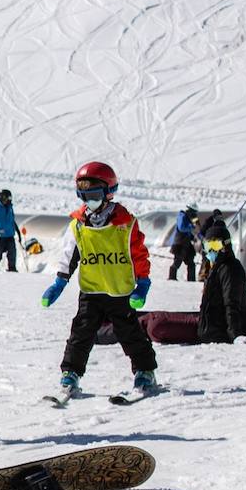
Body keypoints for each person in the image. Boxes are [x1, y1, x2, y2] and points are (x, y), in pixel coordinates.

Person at [41, 161, 157, 397]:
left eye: (93, 193)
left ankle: (145, 371)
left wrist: (142, 283)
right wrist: (59, 282)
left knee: (129, 332)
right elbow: (69, 256)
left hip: (118, 290)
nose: (88, 199)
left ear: (108, 192)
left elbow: (137, 253)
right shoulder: (78, 225)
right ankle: (70, 373)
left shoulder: (125, 224)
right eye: (83, 194)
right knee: (81, 333)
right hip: (91, 290)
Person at [0, 189, 18, 271]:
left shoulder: (10, 207)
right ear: (3, 197)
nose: (9, 200)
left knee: (12, 252)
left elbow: (12, 219)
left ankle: (12, 267)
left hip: (9, 234)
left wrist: (16, 230)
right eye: (8, 198)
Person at [167, 206, 199, 281]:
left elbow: (187, 230)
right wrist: (192, 226)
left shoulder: (188, 218)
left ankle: (191, 279)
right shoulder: (182, 216)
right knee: (177, 261)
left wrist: (192, 236)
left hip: (186, 244)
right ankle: (172, 278)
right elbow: (182, 228)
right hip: (180, 243)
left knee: (191, 262)